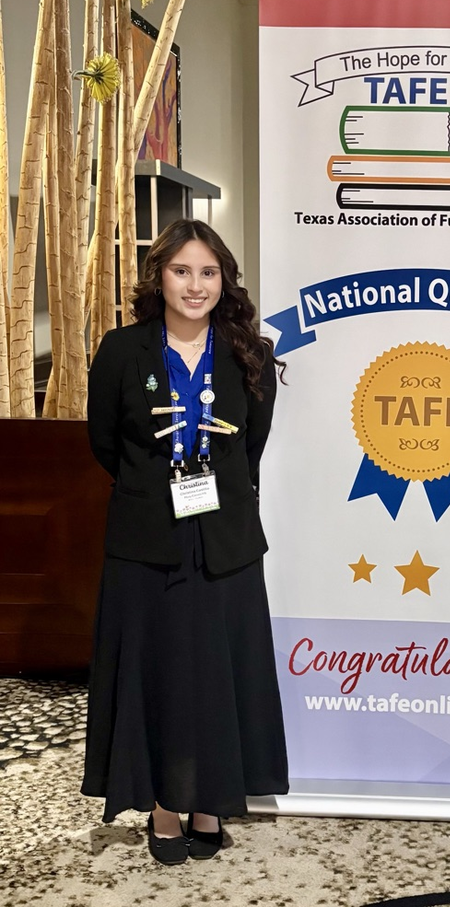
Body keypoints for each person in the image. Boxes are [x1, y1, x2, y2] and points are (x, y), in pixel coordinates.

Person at [81, 219, 289, 865]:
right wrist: (154, 484)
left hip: (224, 542)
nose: (194, 285)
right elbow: (104, 444)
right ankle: (166, 808)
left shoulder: (250, 353)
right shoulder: (122, 351)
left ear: (223, 280)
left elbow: (250, 447)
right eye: (181, 271)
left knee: (219, 676)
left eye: (207, 272)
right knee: (159, 674)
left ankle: (210, 802)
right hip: (146, 543)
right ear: (159, 278)